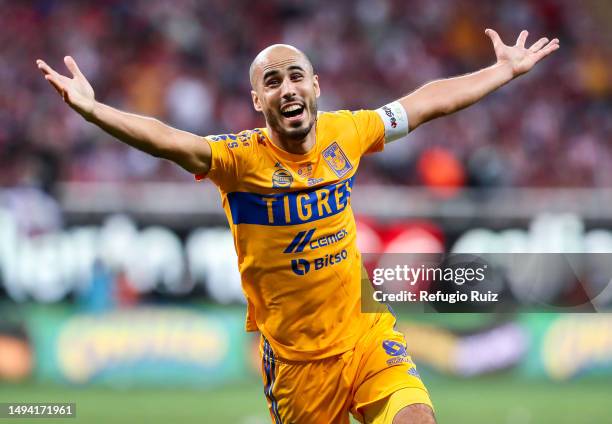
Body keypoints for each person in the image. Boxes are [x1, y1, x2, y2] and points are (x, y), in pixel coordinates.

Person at [37, 28, 559, 424]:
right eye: (271, 81)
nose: (286, 88)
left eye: (294, 76)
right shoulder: (238, 161)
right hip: (297, 366)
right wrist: (94, 110)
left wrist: (502, 72)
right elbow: (167, 139)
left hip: (365, 334)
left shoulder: (348, 131)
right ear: (257, 101)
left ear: (314, 86)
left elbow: (424, 104)